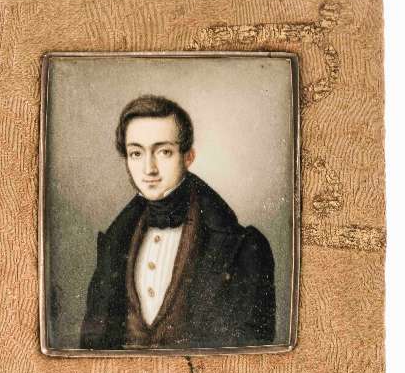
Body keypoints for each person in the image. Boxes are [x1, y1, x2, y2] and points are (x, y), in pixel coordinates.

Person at [80, 95, 275, 349]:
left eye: (164, 152)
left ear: (188, 157)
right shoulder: (114, 243)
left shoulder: (244, 247)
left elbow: (250, 356)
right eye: (136, 153)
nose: (149, 169)